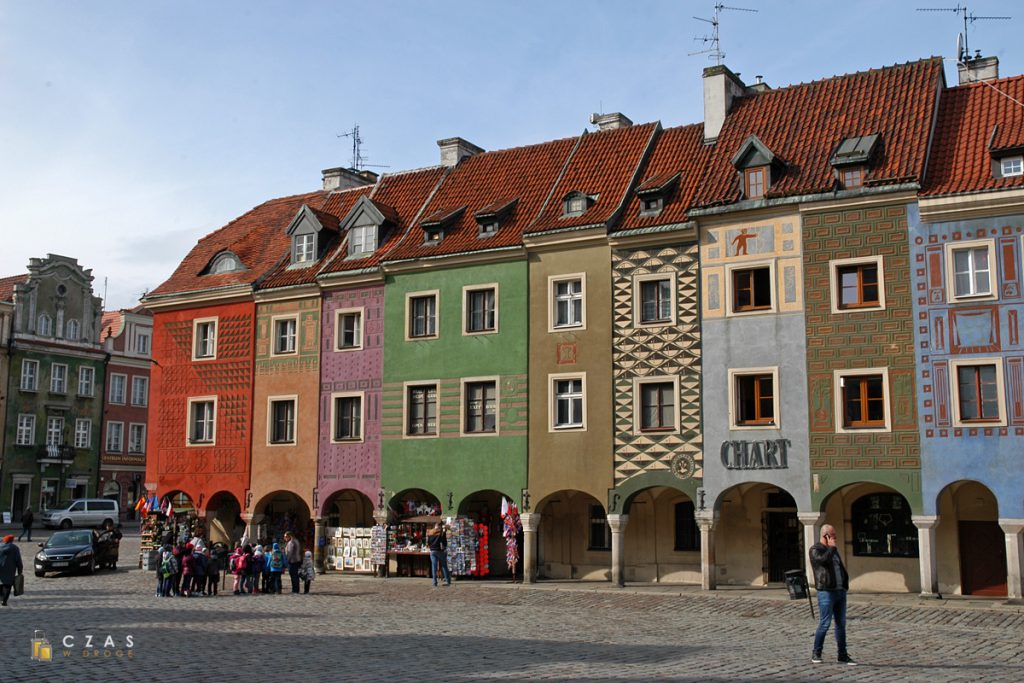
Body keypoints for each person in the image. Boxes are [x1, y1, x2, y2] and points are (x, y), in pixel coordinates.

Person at [809, 524, 856, 666]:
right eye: (833, 535)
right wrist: (831, 548)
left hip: (840, 591)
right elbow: (822, 561)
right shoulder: (815, 550)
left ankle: (842, 654)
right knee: (825, 623)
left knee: (841, 624)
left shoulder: (833, 551)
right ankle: (816, 652)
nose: (835, 538)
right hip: (826, 592)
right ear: (826, 536)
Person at [0, 535, 24, 606]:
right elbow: (18, 560)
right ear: (12, 540)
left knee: (1, 583)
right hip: (10, 569)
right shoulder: (15, 548)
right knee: (8, 585)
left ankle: (1, 597)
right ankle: (4, 600)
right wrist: (20, 570)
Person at [426, 522, 451, 587]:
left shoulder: (430, 532)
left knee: (434, 567)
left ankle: (434, 582)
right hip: (440, 551)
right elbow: (444, 542)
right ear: (439, 526)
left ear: (435, 526)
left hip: (432, 551)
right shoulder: (441, 532)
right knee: (444, 565)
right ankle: (448, 581)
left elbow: (428, 542)